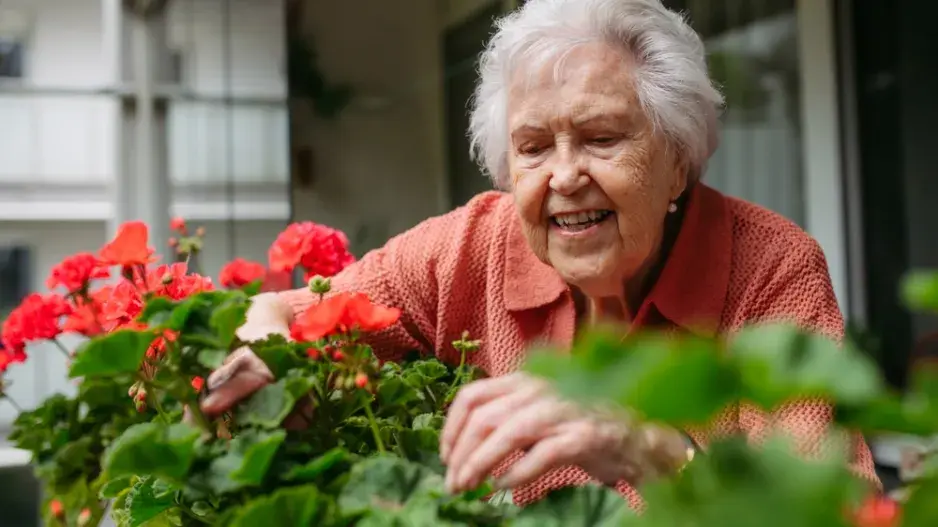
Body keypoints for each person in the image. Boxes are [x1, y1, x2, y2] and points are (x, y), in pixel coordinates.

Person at [200, 0, 879, 508]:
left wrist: (652, 449)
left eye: (602, 138)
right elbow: (293, 311)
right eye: (533, 147)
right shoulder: (473, 245)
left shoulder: (768, 270)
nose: (563, 175)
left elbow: (830, 511)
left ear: (678, 162)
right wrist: (270, 335)